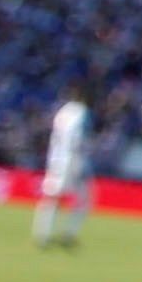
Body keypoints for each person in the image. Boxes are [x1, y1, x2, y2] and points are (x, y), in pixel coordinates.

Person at [32, 89, 90, 250]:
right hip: (71, 161)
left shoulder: (62, 112)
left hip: (55, 159)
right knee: (84, 199)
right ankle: (68, 234)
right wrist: (78, 164)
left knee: (52, 198)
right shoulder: (80, 113)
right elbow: (75, 139)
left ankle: (42, 234)